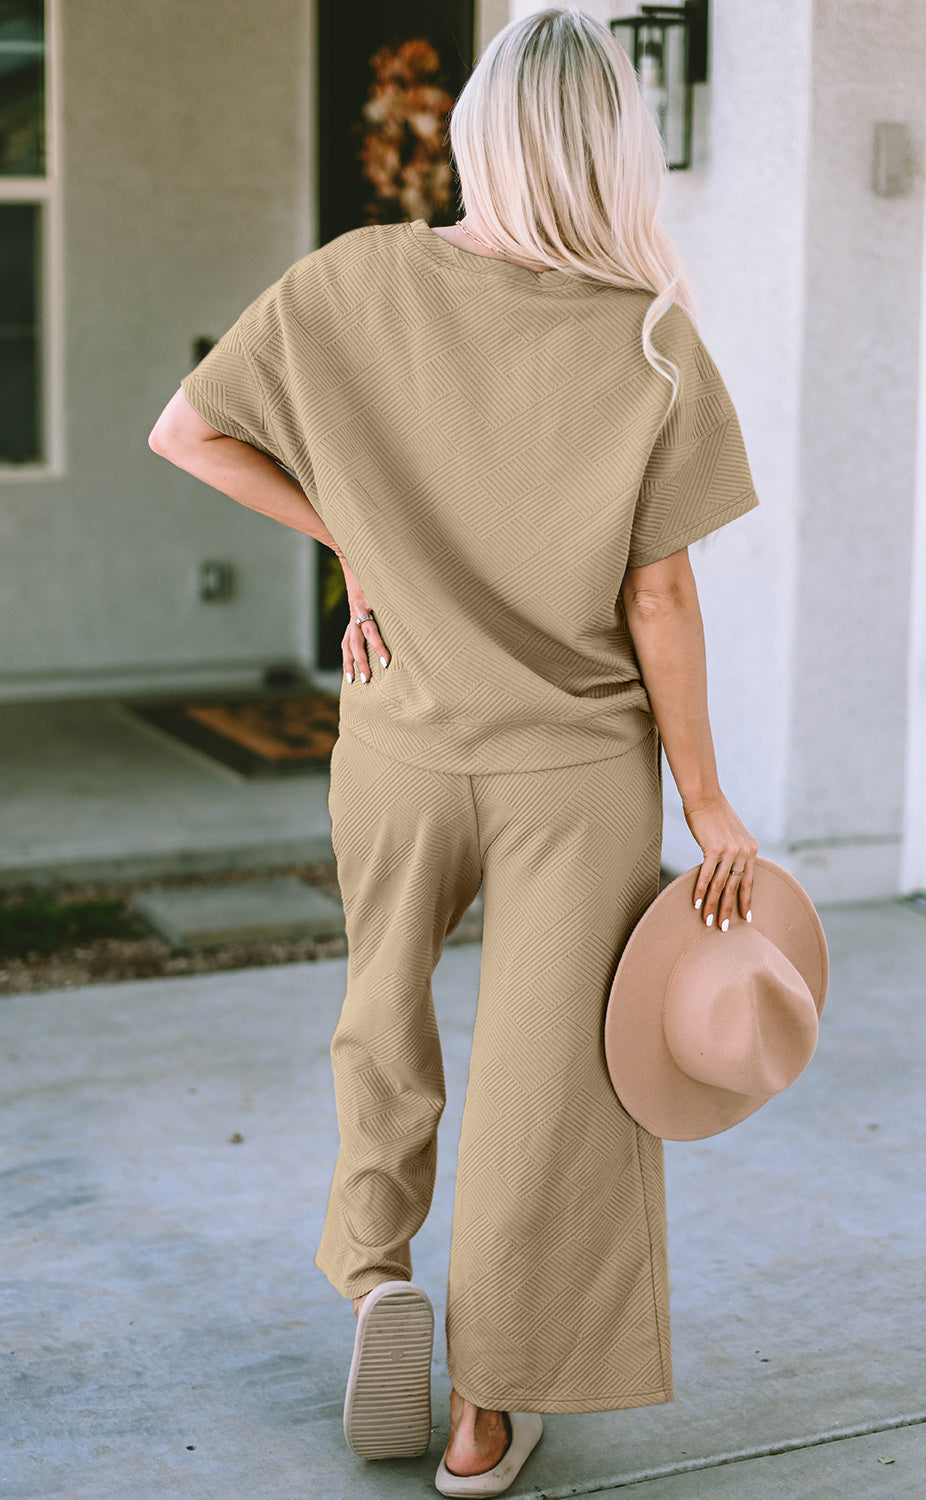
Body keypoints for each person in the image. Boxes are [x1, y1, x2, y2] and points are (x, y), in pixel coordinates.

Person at [148, 6, 760, 1493]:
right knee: (553, 1078)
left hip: (403, 735)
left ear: (478, 132)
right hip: (575, 770)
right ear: (613, 149)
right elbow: (659, 595)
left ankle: (374, 1274)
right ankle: (489, 1407)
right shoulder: (648, 335)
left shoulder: (357, 280)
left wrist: (358, 532)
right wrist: (710, 801)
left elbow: (188, 432)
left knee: (382, 1011)